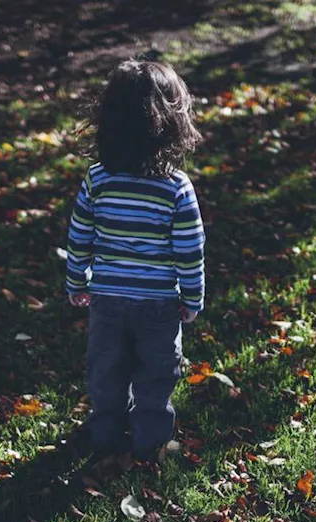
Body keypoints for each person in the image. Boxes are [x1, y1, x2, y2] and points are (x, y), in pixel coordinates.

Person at [64, 58, 206, 471]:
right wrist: (192, 298)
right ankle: (151, 443)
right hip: (159, 306)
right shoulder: (176, 188)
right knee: (156, 376)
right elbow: (189, 251)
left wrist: (77, 281)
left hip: (106, 300)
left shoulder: (99, 179)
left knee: (106, 371)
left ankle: (104, 435)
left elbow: (80, 237)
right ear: (171, 125)